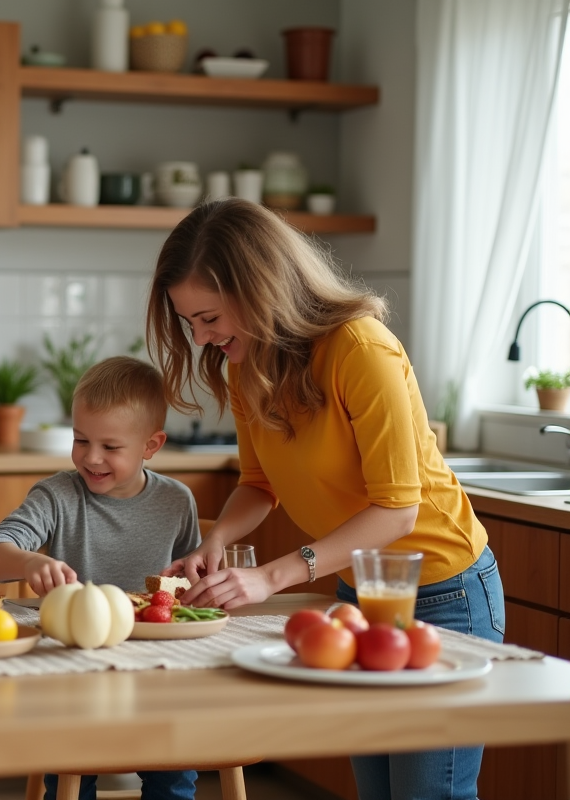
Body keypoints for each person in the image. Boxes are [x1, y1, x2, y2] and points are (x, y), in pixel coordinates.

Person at [148, 199, 505, 800]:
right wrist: (215, 540)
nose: (203, 339)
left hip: (443, 596)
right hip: (359, 594)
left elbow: (397, 510)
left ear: (259, 289)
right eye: (191, 325)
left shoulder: (360, 349)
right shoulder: (247, 365)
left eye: (208, 318)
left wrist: (274, 577)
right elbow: (259, 483)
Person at [0, 355, 200, 800]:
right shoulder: (57, 494)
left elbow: (191, 582)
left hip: (159, 670)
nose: (91, 458)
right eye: (80, 440)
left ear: (151, 445)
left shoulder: (176, 500)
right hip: (73, 670)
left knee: (174, 775)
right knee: (72, 772)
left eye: (110, 447)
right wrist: (27, 563)